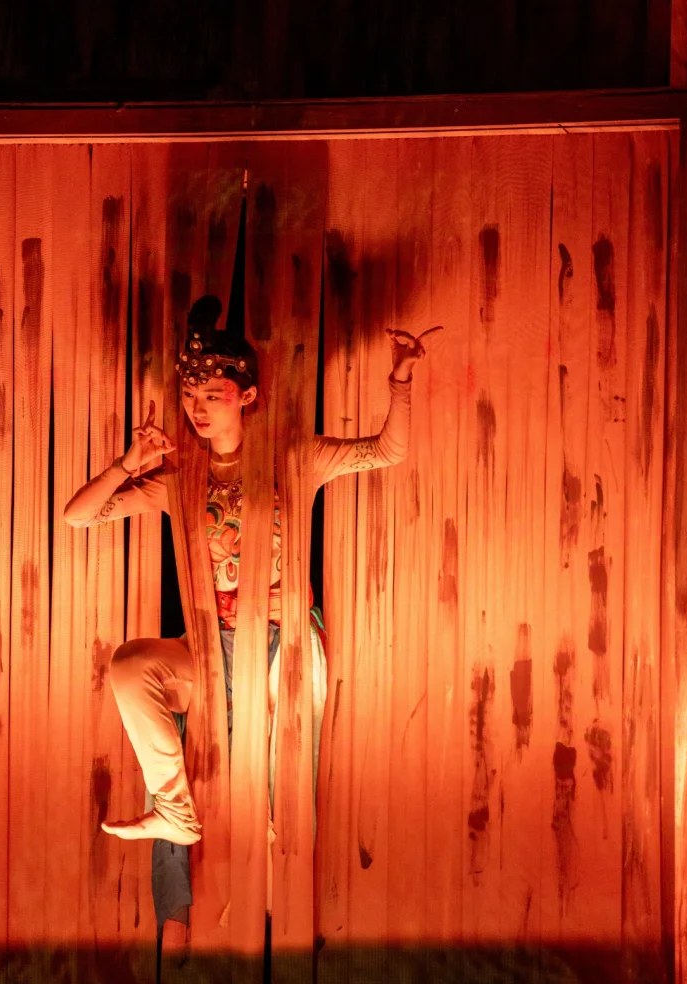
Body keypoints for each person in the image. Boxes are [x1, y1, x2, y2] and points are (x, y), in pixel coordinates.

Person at [64, 296, 430, 853]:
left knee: (260, 796)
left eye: (213, 395)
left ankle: (264, 835)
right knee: (130, 666)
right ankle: (174, 809)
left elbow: (388, 451)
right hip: (211, 647)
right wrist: (128, 465)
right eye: (190, 395)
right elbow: (78, 515)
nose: (198, 408)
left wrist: (400, 379)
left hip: (281, 645)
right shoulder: (179, 479)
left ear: (248, 396)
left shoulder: (296, 459)